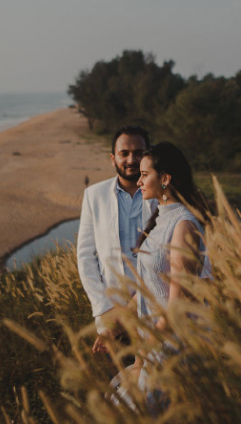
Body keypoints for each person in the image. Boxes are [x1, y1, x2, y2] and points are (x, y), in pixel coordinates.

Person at [100, 142, 209, 410]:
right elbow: (148, 286)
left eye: (145, 174)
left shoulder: (184, 225)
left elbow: (177, 307)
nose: (138, 181)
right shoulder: (161, 219)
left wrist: (143, 355)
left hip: (170, 348)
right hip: (152, 343)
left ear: (165, 178)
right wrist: (118, 322)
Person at [77, 126, 158, 351]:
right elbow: (85, 257)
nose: (132, 159)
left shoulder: (162, 195)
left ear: (148, 155)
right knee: (121, 381)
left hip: (158, 311)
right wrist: (104, 310)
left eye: (139, 152)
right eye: (124, 153)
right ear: (113, 159)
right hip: (112, 318)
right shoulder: (94, 196)